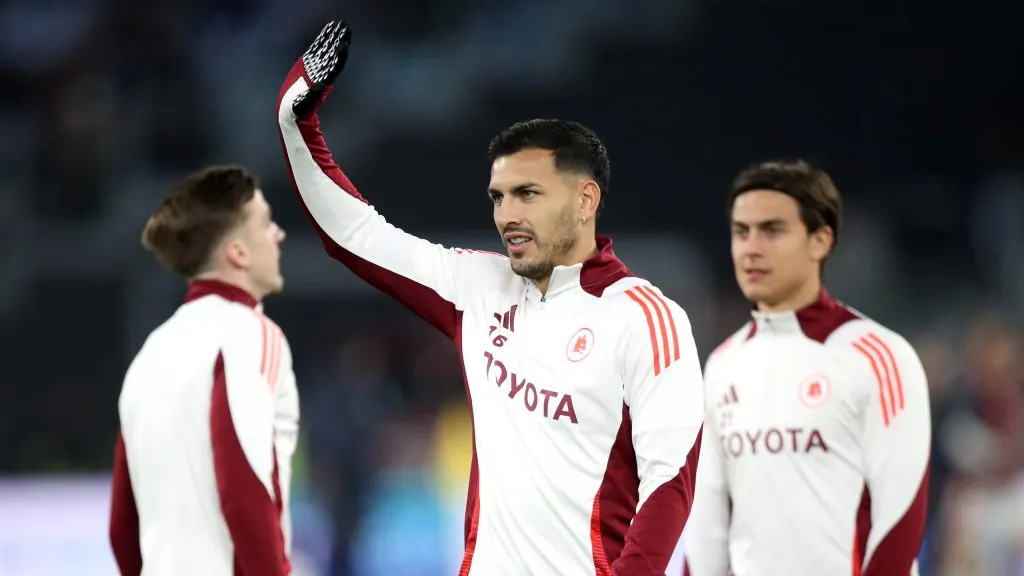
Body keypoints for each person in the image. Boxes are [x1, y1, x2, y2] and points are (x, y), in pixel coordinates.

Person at [276, 21, 704, 576]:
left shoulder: (647, 319)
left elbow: (670, 484)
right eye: (498, 197)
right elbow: (355, 235)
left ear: (585, 199)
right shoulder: (478, 287)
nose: (507, 215)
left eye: (528, 194)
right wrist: (297, 123)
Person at [682, 160, 931, 575]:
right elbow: (708, 524)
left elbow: (900, 520)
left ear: (821, 241)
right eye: (741, 232)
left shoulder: (879, 355)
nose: (751, 247)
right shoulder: (723, 364)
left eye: (772, 230)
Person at [108, 165, 298, 576]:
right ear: (238, 253)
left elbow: (123, 526)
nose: (278, 234)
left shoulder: (148, 355)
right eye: (266, 223)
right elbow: (244, 490)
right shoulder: (252, 334)